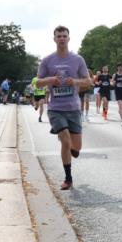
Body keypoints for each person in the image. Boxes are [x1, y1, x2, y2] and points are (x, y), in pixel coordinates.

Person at [37, 26, 91, 190]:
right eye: (58, 36)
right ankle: (68, 178)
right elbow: (37, 82)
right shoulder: (47, 61)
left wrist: (74, 82)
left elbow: (88, 81)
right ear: (54, 39)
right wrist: (50, 80)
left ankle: (73, 150)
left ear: (69, 38)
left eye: (64, 36)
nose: (61, 38)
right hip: (56, 108)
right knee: (65, 140)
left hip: (73, 108)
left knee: (77, 147)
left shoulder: (77, 60)